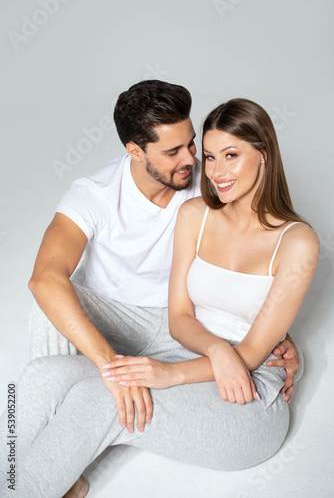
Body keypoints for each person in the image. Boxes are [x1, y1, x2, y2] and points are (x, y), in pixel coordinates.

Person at [0, 83, 302, 498]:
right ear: (135, 151)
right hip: (143, 325)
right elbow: (44, 279)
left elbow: (260, 285)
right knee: (43, 370)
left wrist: (280, 338)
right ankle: (21, 475)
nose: (195, 163)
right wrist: (112, 368)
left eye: (194, 146)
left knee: (94, 399)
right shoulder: (99, 194)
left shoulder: (211, 187)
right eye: (174, 152)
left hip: (205, 349)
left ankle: (35, 477)